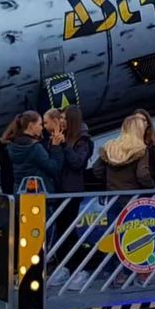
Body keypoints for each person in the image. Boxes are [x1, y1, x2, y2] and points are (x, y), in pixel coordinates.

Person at [49, 106, 95, 289]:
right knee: (60, 230)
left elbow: (78, 162)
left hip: (72, 190)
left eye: (63, 118)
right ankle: (64, 267)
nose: (60, 121)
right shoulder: (61, 136)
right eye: (59, 117)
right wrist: (54, 143)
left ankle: (80, 269)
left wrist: (65, 146)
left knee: (70, 230)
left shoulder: (83, 140)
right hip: (59, 189)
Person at [7, 111, 63, 194]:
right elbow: (53, 169)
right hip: (38, 195)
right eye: (40, 124)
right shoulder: (35, 148)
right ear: (31, 126)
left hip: (20, 193)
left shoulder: (13, 146)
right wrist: (56, 147)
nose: (42, 128)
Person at [100, 115, 154, 191]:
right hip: (133, 197)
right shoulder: (141, 149)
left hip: (112, 197)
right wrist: (152, 187)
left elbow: (97, 169)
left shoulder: (109, 148)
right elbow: (142, 175)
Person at [134, 109, 155, 188]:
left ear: (148, 123)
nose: (140, 123)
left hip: (153, 186)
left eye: (143, 120)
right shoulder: (129, 144)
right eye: (137, 120)